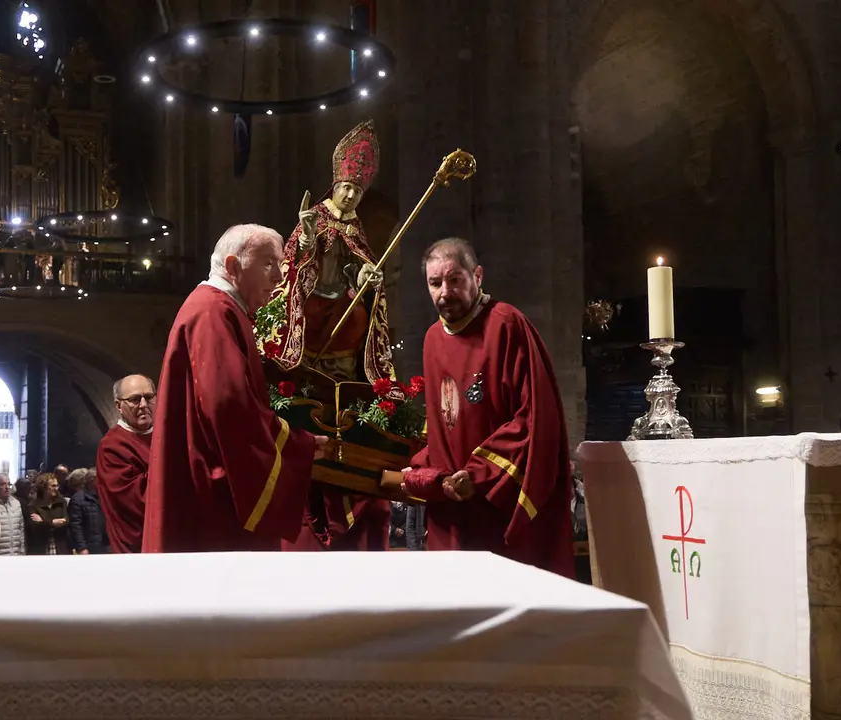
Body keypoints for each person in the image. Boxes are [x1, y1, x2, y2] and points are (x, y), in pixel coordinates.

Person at [142, 224, 329, 552]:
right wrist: (295, 444)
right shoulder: (214, 311)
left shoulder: (218, 309)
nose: (279, 277)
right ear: (232, 266)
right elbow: (228, 405)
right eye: (268, 264)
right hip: (213, 493)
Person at [401, 238, 574, 577]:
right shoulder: (432, 338)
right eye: (435, 283)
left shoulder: (507, 324)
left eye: (455, 279)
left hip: (498, 499)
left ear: (477, 276)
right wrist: (425, 471)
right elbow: (443, 422)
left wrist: (478, 474)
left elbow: (534, 418)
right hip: (451, 510)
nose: (445, 292)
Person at [266, 120, 393, 553]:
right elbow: (295, 261)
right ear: (335, 186)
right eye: (346, 188)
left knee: (357, 319)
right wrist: (305, 238)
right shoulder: (315, 218)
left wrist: (366, 276)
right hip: (313, 301)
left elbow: (357, 265)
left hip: (341, 299)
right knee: (314, 323)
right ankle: (310, 368)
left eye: (357, 190)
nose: (351, 195)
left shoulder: (357, 228)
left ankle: (342, 372)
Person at [96, 374, 155, 553]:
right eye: (135, 399)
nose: (143, 405)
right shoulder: (112, 445)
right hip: (140, 546)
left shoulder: (167, 434)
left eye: (149, 397)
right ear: (118, 405)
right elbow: (134, 501)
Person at [25, 473, 70, 555]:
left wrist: (43, 521)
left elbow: (65, 521)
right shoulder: (33, 505)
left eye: (57, 485)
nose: (56, 488)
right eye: (53, 486)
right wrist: (52, 522)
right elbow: (34, 526)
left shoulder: (61, 502)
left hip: (60, 546)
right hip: (41, 546)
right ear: (43, 487)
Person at [69, 469, 110, 554]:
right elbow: (76, 526)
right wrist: (81, 547)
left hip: (107, 544)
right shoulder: (78, 499)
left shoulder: (105, 495)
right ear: (92, 479)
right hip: (90, 546)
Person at [0, 473, 25, 556]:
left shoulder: (16, 503)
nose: (7, 487)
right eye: (2, 484)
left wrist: (22, 550)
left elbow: (21, 529)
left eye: (9, 484)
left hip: (16, 554)